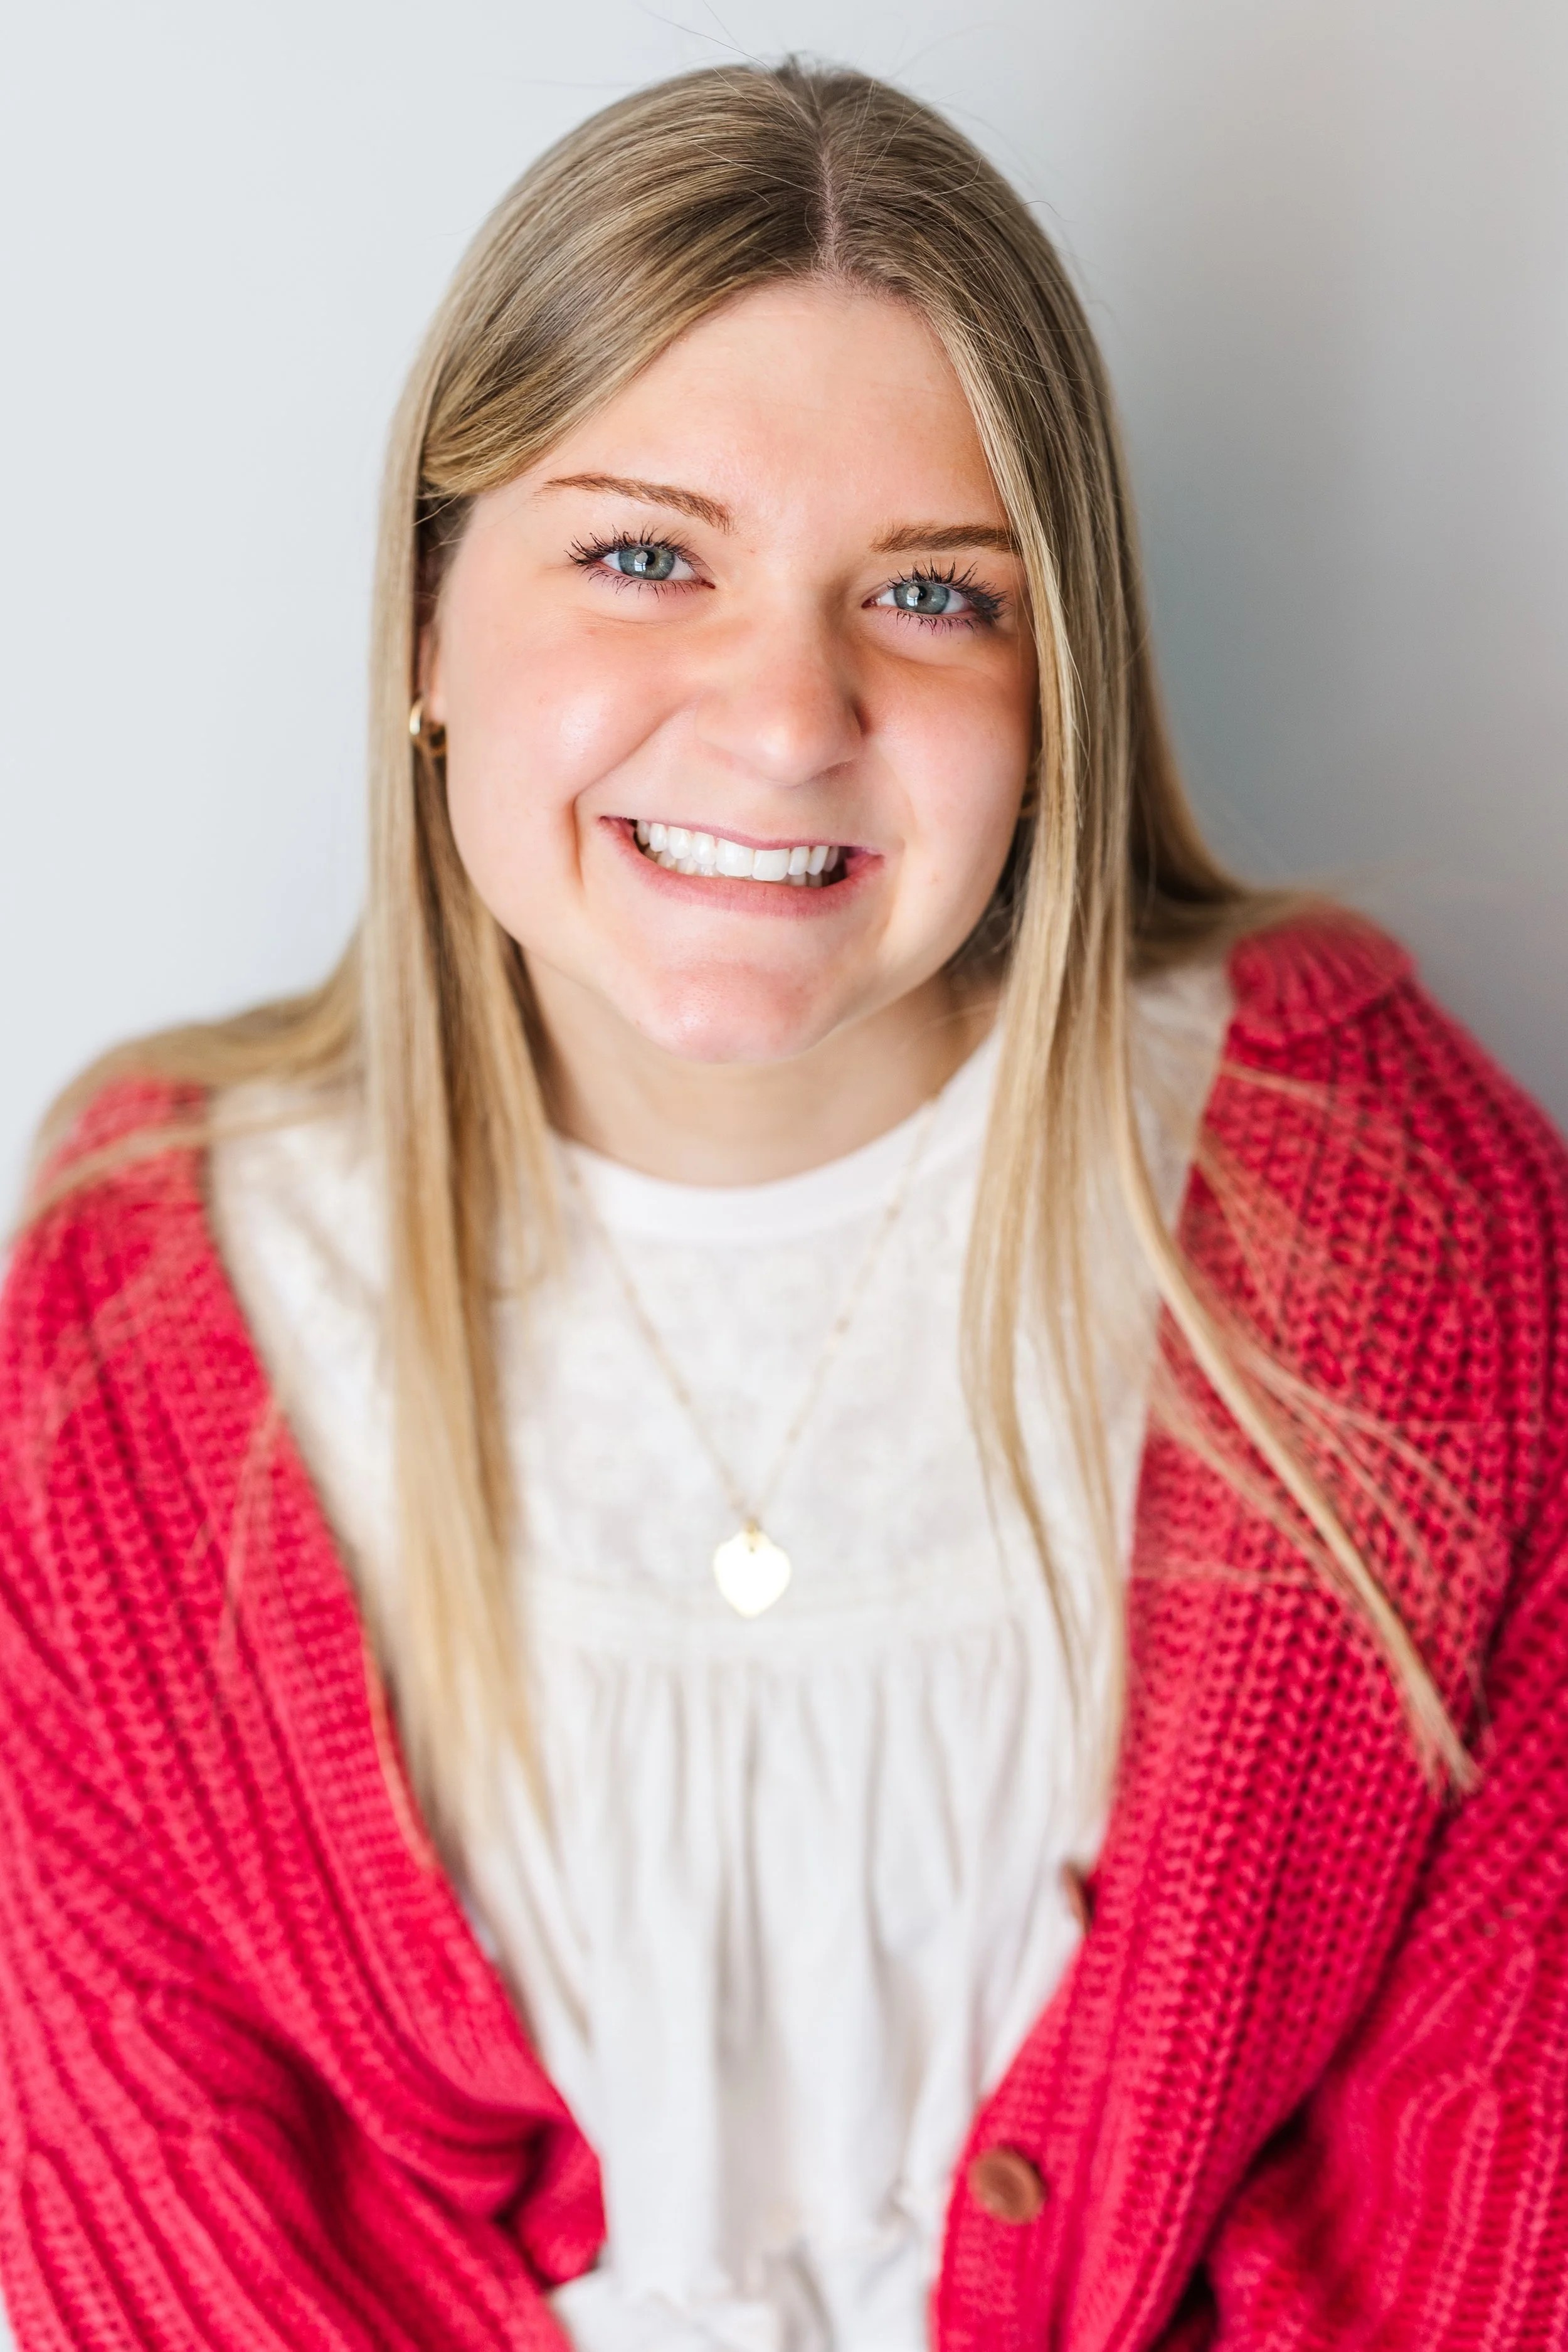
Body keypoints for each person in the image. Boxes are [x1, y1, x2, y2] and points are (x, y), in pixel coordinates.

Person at [1, 57, 1564, 2352]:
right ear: (430, 629)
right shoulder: (133, 1328)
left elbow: (1497, 2197)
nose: (783, 712)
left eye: (930, 596)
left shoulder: (1402, 1241)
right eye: (645, 554)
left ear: (1059, 690)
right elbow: (162, 2243)